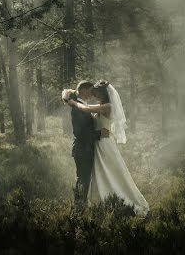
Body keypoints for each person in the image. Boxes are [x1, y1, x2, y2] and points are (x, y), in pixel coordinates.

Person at [65, 80, 149, 216]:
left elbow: (86, 109)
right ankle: (101, 202)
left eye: (95, 92)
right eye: (92, 91)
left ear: (102, 93)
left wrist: (73, 102)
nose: (93, 94)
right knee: (99, 174)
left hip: (104, 143)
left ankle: (119, 200)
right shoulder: (100, 105)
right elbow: (86, 113)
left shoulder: (107, 106)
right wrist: (69, 97)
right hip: (97, 144)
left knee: (112, 172)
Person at [61, 80, 106, 211]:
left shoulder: (82, 105)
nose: (92, 93)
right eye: (91, 90)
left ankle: (80, 206)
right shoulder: (78, 108)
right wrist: (99, 133)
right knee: (83, 179)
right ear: (83, 91)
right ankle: (79, 208)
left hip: (85, 149)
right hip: (82, 149)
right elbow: (80, 133)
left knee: (84, 179)